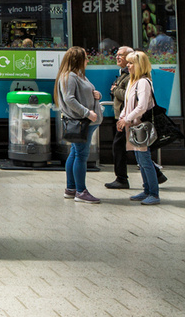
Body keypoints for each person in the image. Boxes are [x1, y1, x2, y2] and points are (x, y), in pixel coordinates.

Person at [54, 46, 103, 204]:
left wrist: (97, 95)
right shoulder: (70, 77)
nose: (88, 61)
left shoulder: (79, 75)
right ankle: (81, 191)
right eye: (85, 58)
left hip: (86, 121)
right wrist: (87, 113)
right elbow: (70, 99)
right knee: (81, 155)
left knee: (75, 153)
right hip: (81, 122)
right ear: (78, 60)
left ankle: (71, 189)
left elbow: (87, 92)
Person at [117, 50, 160, 205]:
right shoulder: (133, 81)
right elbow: (128, 103)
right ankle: (147, 189)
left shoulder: (143, 82)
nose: (127, 66)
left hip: (140, 126)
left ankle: (153, 193)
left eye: (130, 63)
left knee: (144, 159)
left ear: (139, 65)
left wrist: (126, 118)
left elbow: (141, 106)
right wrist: (123, 118)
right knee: (140, 159)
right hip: (134, 126)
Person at [105, 45, 134, 190]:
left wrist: (115, 90)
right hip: (122, 116)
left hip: (126, 117)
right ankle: (157, 174)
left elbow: (128, 96)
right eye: (116, 54)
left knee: (119, 147)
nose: (117, 57)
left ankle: (121, 178)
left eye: (121, 55)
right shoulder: (123, 73)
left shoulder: (131, 76)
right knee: (137, 147)